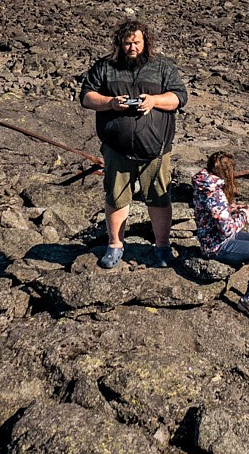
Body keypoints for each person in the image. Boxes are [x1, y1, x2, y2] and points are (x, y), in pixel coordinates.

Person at [78, 19, 187, 270]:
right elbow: (86, 96)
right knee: (116, 196)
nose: (132, 47)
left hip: (156, 151)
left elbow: (179, 97)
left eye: (136, 42)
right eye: (127, 43)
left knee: (159, 197)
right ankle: (115, 245)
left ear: (145, 41)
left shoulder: (161, 67)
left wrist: (154, 101)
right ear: (120, 43)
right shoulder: (105, 67)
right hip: (117, 149)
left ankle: (162, 247)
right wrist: (110, 103)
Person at [189, 151, 249, 318]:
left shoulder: (206, 183)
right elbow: (226, 229)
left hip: (218, 237)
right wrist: (245, 216)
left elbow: (215, 212)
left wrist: (234, 208)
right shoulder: (214, 193)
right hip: (217, 245)